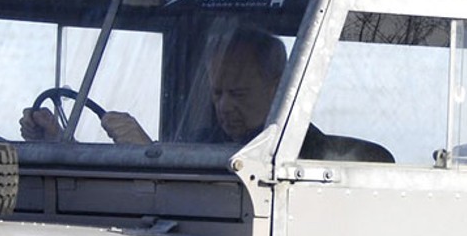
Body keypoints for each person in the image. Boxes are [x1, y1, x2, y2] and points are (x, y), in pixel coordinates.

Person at [19, 28, 391, 162]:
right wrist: (59, 142)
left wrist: (147, 150)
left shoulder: (310, 157)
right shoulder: (201, 143)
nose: (225, 106)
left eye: (239, 93)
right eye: (217, 93)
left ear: (279, 86)